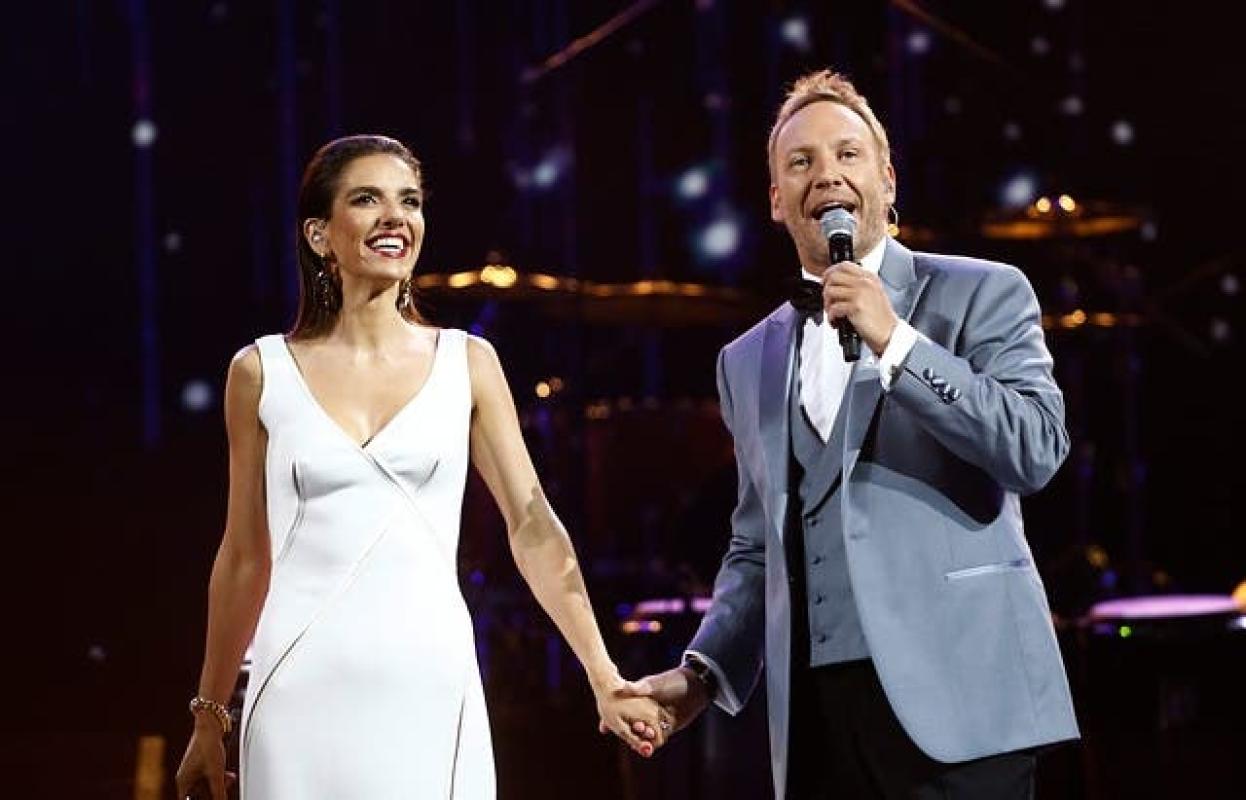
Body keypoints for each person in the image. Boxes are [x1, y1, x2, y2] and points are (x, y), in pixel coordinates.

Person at [617, 70, 1079, 798]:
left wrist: (898, 342)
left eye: (847, 154)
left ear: (887, 181)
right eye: (800, 162)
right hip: (818, 724)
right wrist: (701, 674)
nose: (826, 174)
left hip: (963, 709)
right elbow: (756, 548)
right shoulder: (746, 360)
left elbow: (1034, 447)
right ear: (777, 199)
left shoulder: (983, 290)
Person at [174, 134, 669, 800]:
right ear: (319, 235)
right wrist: (210, 716)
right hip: (297, 689)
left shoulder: (468, 363)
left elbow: (533, 527)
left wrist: (602, 673)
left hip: (429, 686)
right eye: (366, 199)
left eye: (408, 201)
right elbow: (243, 555)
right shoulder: (260, 372)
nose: (395, 217)